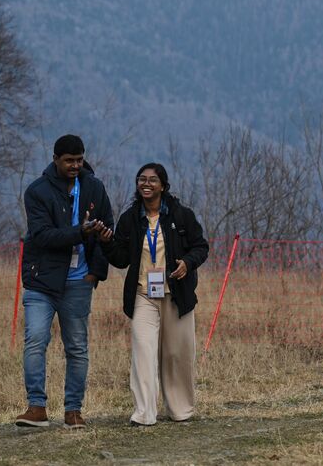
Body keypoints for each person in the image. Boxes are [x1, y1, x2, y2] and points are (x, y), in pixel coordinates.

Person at [15, 134, 114, 429]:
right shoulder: (37, 191)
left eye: (79, 159)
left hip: (79, 280)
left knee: (77, 347)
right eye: (69, 160)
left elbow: (107, 225)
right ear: (55, 158)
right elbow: (42, 235)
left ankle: (73, 411)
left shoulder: (95, 187)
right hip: (41, 281)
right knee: (35, 341)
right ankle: (36, 408)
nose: (75, 165)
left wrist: (96, 270)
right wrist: (80, 232)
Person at [103, 162, 209, 426]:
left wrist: (187, 262)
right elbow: (120, 258)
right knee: (143, 350)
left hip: (176, 294)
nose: (146, 184)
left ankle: (180, 409)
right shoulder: (130, 219)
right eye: (141, 179)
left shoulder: (181, 215)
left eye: (152, 180)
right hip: (143, 294)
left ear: (163, 185)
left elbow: (201, 246)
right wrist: (105, 242)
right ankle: (144, 413)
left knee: (176, 354)